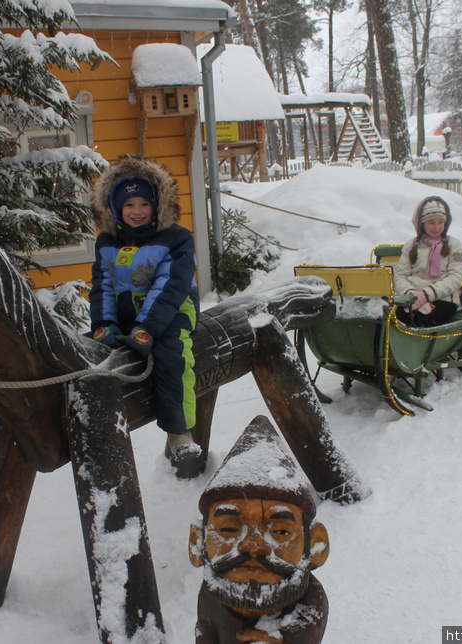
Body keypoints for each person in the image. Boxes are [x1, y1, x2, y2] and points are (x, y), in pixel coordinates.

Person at [89, 155, 204, 479]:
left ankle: (179, 434)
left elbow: (170, 285)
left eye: (144, 203)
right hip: (128, 314)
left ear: (158, 205)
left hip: (171, 309)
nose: (137, 211)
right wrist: (104, 323)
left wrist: (148, 327)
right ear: (114, 208)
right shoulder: (107, 242)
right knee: (90, 352)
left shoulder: (176, 239)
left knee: (171, 354)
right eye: (129, 205)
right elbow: (103, 285)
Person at [189, 415, 330, 643]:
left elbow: (309, 630)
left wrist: (282, 639)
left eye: (281, 532)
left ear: (315, 545)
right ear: (197, 543)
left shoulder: (309, 599)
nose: (252, 544)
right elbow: (205, 631)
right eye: (228, 529)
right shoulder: (212, 593)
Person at [393, 196, 462, 328]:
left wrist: (426, 295)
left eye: (440, 222)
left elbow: (456, 277)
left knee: (421, 322)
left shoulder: (453, 244)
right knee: (393, 321)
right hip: (412, 298)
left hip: (442, 299)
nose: (437, 227)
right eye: (431, 222)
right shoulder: (412, 245)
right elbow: (400, 275)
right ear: (421, 223)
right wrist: (412, 296)